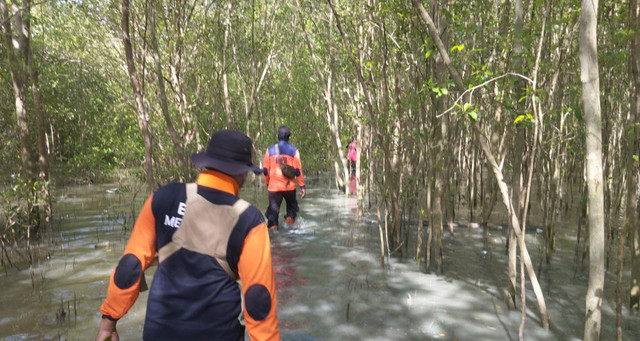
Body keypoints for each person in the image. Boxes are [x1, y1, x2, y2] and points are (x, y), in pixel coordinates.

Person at [95, 130, 280, 341]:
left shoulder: (162, 197)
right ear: (242, 172)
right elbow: (258, 299)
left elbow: (130, 266)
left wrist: (108, 322)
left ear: (207, 164)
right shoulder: (249, 219)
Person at [262, 126, 306, 229]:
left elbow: (265, 170)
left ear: (277, 136)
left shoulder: (270, 150)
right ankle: (289, 235)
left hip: (274, 188)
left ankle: (274, 238)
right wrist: (302, 186)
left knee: (273, 216)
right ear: (289, 137)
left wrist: (268, 183)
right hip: (289, 187)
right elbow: (297, 171)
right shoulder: (294, 151)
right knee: (291, 211)